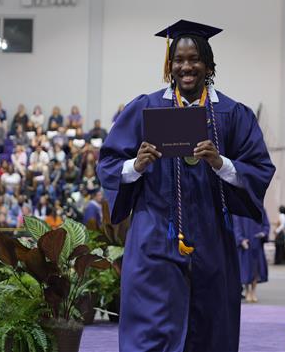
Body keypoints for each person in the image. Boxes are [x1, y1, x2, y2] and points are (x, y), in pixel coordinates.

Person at [97, 19, 275, 352]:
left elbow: (260, 169)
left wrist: (220, 163)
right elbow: (107, 165)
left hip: (211, 240)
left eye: (194, 59)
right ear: (170, 65)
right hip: (154, 240)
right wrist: (136, 165)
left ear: (209, 66)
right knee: (150, 329)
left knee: (208, 329)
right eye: (178, 60)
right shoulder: (145, 108)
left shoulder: (232, 114)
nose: (186, 67)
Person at [233, 211, 270, 303]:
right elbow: (236, 226)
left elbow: (266, 224)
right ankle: (247, 290)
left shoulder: (260, 209)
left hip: (256, 242)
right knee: (246, 268)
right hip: (246, 243)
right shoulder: (239, 209)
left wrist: (264, 233)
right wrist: (241, 240)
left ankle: (253, 291)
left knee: (256, 268)